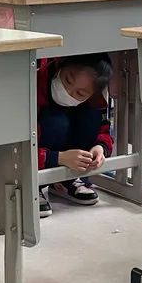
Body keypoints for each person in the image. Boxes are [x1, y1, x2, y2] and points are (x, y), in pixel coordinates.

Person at [36, 53, 115, 217]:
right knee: (57, 122)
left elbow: (103, 128)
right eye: (67, 80)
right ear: (59, 64)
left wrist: (100, 147)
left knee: (89, 117)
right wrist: (57, 158)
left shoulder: (95, 99)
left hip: (67, 151)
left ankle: (69, 179)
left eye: (80, 94)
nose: (68, 92)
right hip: (38, 155)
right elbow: (19, 149)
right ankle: (35, 185)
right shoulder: (35, 85)